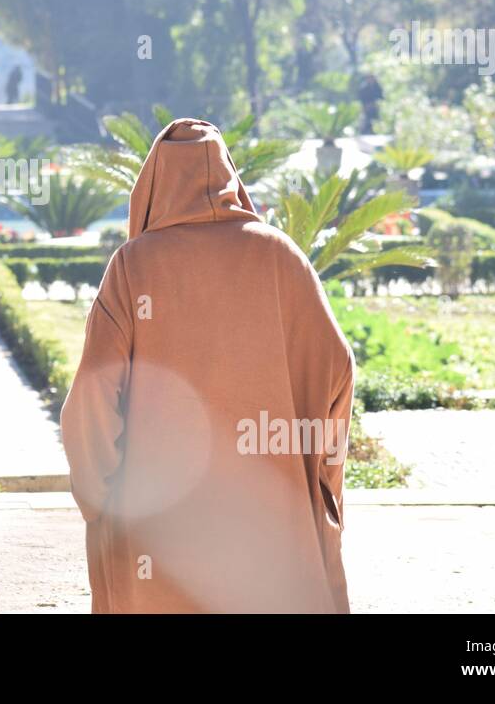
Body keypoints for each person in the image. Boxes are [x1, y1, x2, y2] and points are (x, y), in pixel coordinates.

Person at [61, 118, 355, 613]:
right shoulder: (282, 257)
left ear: (151, 187)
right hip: (274, 520)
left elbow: (93, 399)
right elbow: (336, 373)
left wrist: (104, 499)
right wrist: (319, 488)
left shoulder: (136, 266)